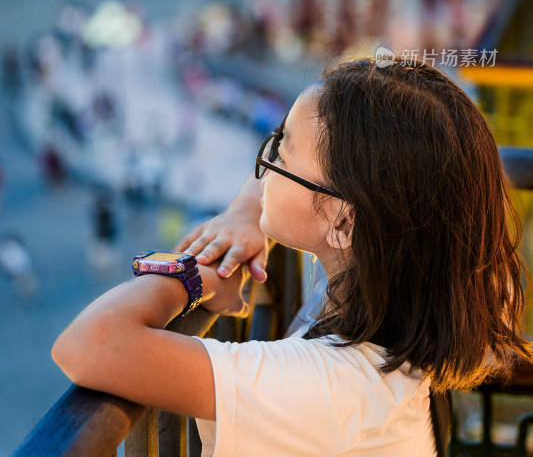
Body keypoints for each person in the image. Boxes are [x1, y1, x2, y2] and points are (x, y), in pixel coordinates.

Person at [52, 58, 532, 457]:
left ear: (344, 224)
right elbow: (315, 141)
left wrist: (192, 278)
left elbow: (88, 345)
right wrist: (244, 212)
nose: (265, 163)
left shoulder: (319, 388)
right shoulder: (394, 292)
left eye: (281, 156)